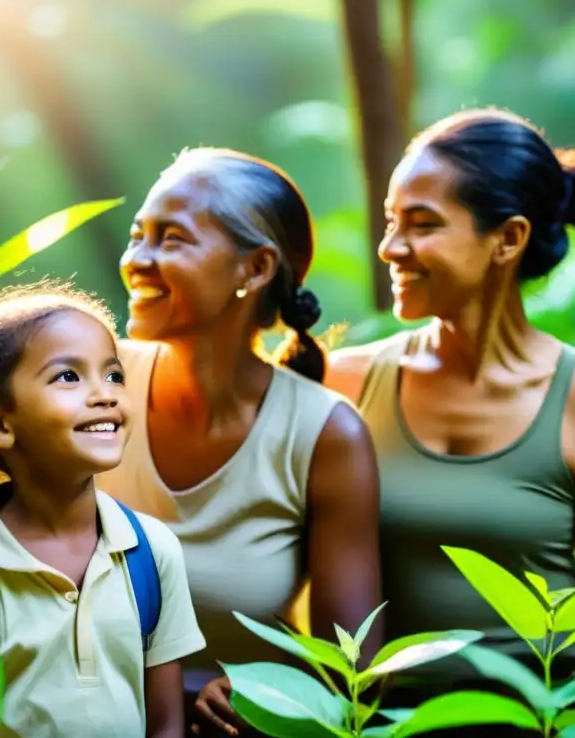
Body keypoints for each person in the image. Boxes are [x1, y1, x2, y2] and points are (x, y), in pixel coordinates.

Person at [325, 108, 575, 736]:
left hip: (552, 725)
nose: (389, 248)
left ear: (507, 239)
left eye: (422, 224)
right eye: (390, 221)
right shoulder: (343, 384)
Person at [94, 148, 383, 736]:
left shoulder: (325, 432)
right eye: (137, 236)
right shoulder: (93, 384)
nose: (136, 260)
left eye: (170, 238)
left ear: (254, 269)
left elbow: (359, 673)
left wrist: (264, 691)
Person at [0, 282, 206, 738]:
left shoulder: (152, 553)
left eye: (114, 375)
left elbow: (166, 726)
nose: (105, 394)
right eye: (68, 376)